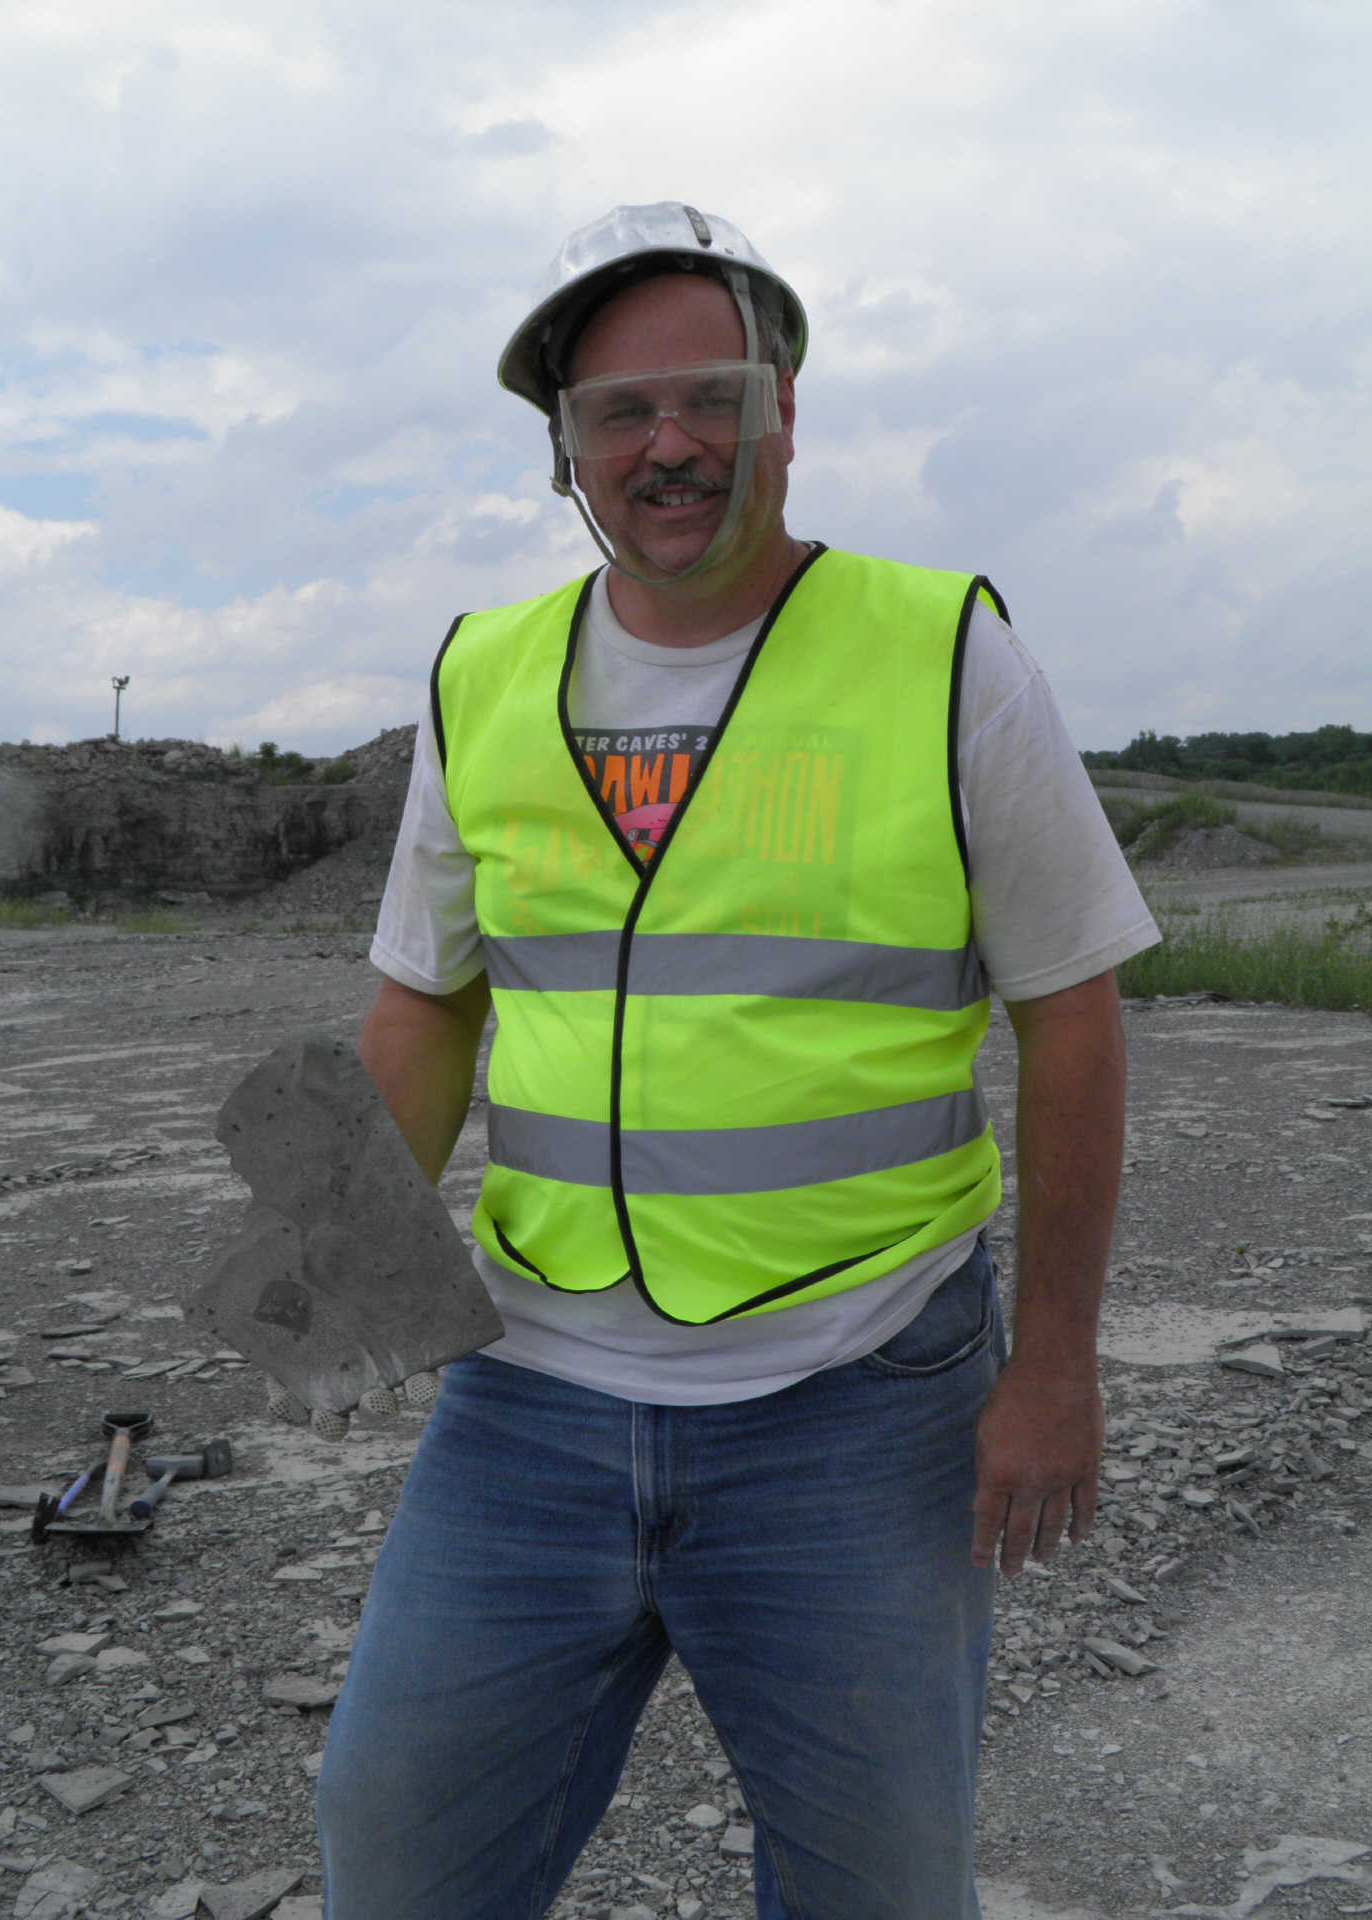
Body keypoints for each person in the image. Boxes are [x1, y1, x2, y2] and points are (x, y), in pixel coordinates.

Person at [317, 202, 1159, 1919]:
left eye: (711, 397)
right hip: (531, 1397)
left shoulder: (946, 655)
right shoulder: (483, 674)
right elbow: (425, 1002)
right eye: (619, 413)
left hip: (860, 1398)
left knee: (879, 1891)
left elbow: (1072, 1010)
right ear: (565, 448)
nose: (670, 444)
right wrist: (328, 1277)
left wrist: (1057, 1367)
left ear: (784, 411)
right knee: (396, 1852)